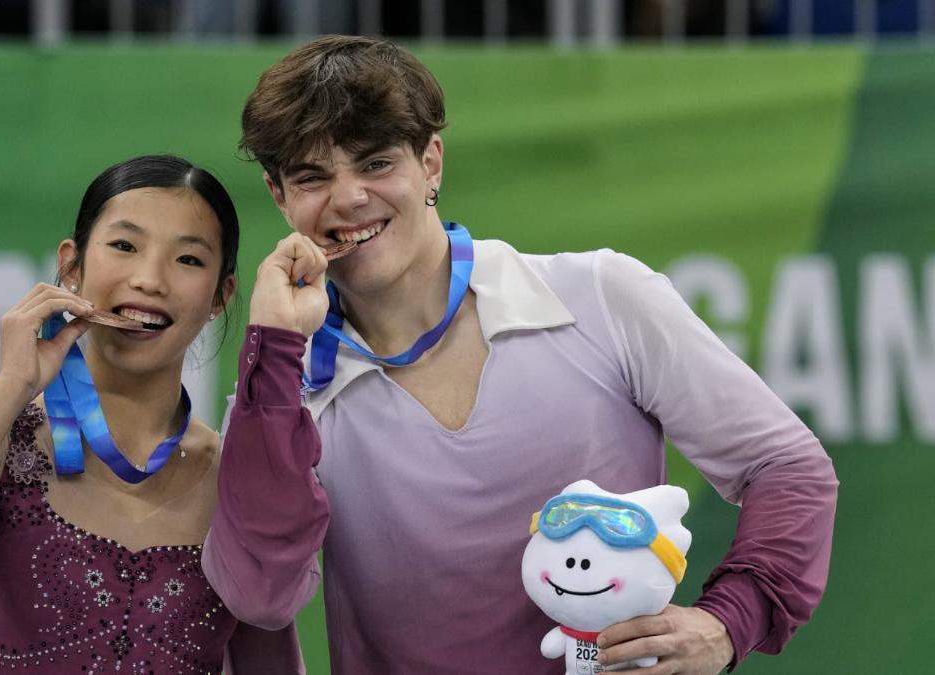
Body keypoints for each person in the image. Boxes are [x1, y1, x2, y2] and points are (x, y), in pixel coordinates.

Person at [201, 36, 838, 674]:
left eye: (374, 164)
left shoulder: (600, 297)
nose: (347, 199)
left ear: (431, 164)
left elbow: (786, 466)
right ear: (279, 196)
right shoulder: (280, 396)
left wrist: (725, 623)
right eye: (312, 177)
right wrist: (275, 353)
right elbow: (262, 595)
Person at [0, 155, 302, 674]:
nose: (150, 280)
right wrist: (12, 385)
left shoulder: (238, 477)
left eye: (189, 260)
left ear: (222, 293)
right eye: (125, 246)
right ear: (72, 265)